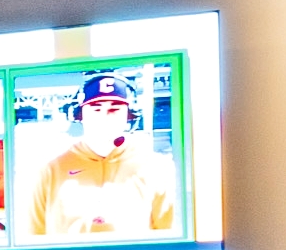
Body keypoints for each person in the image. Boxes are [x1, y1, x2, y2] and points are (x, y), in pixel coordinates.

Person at [20, 69, 180, 238]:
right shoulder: (50, 170)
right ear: (81, 115)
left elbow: (167, 235)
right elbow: (34, 236)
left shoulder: (155, 167)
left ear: (129, 115)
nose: (105, 116)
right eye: (96, 109)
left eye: (114, 109)